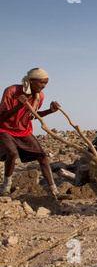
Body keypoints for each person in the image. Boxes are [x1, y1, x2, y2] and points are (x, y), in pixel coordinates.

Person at [0, 68, 70, 200]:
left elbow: (32, 116)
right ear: (31, 81)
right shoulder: (12, 91)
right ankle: (6, 186)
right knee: (12, 153)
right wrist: (18, 107)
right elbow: (1, 117)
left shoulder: (39, 96)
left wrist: (50, 111)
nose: (43, 87)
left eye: (45, 84)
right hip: (5, 129)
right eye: (41, 83)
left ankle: (54, 191)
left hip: (24, 131)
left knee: (42, 156)